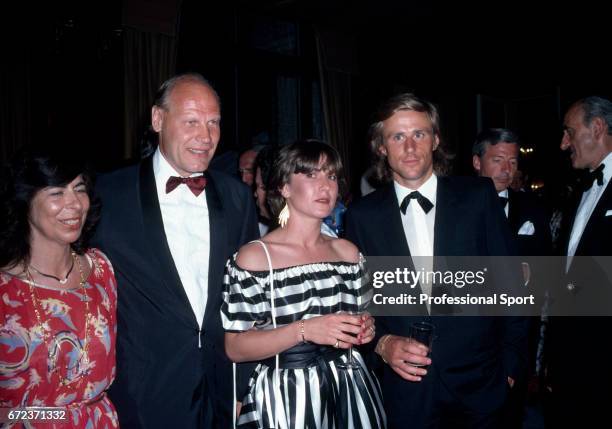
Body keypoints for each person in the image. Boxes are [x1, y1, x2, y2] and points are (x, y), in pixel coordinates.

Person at [345, 93, 528, 429]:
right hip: (407, 394)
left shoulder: (478, 197)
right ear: (381, 147)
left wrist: (511, 369)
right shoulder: (361, 216)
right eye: (397, 136)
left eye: (420, 134)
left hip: (483, 386)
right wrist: (382, 344)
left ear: (436, 140)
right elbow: (358, 304)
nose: (410, 147)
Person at [93, 73, 259, 428]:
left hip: (222, 389)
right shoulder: (107, 196)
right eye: (191, 122)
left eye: (214, 122)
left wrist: (243, 387)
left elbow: (247, 301)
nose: (206, 136)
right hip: (142, 390)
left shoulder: (237, 197)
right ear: (157, 119)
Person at [221, 140, 386, 428]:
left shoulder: (348, 252)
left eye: (331, 175)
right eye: (311, 175)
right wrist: (306, 330)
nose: (325, 186)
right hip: (285, 396)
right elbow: (235, 347)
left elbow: (365, 322)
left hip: (349, 385)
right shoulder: (256, 258)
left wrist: (366, 327)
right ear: (284, 187)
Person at [0, 148, 119, 427]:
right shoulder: (5, 289)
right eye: (57, 193)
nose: (75, 204)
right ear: (25, 201)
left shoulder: (101, 271)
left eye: (79, 189)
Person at [472, 128, 552, 428]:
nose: (507, 170)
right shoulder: (453, 207)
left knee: (512, 414)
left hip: (517, 333)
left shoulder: (534, 208)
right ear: (477, 162)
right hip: (471, 330)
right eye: (498, 160)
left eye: (514, 162)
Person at [547, 95, 612, 427]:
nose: (563, 144)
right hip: (572, 365)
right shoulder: (578, 190)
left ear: (597, 128)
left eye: (569, 132)